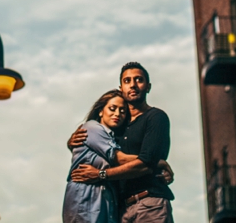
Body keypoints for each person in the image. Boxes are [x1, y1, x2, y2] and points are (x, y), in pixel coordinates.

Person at [69, 62, 174, 223]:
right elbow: (97, 151)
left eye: (139, 80)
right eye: (127, 81)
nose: (133, 85)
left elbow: (145, 164)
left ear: (148, 86)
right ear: (121, 88)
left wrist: (100, 175)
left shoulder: (155, 117)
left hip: (149, 204)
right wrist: (71, 143)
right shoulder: (116, 127)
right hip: (120, 211)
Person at [62, 89, 131, 223]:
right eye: (112, 108)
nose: (117, 114)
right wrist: (157, 162)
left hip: (103, 199)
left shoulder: (113, 137)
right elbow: (120, 158)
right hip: (85, 196)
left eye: (123, 111)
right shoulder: (92, 127)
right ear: (100, 111)